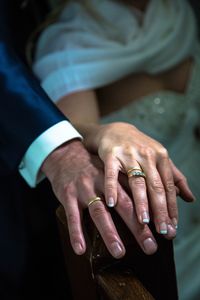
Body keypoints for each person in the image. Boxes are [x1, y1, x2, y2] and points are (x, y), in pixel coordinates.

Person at [1, 0, 190, 298]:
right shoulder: (67, 42)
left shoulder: (178, 12)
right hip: (170, 232)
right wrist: (106, 132)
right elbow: (75, 129)